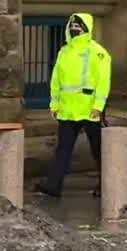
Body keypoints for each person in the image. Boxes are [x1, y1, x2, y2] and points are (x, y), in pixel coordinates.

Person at [38, 13, 111, 198]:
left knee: (100, 150)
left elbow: (103, 81)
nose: (75, 29)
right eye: (73, 26)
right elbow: (56, 80)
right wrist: (54, 104)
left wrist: (99, 106)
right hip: (68, 110)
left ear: (87, 28)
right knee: (63, 149)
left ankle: (110, 184)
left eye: (79, 26)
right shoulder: (64, 51)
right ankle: (53, 185)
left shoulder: (98, 52)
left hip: (90, 109)